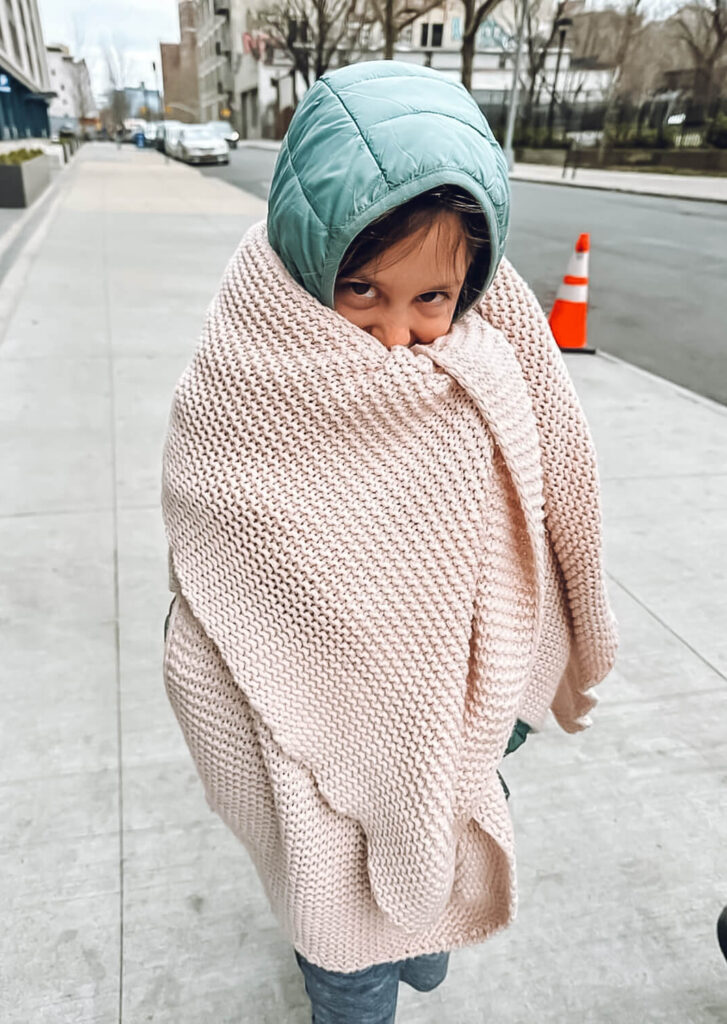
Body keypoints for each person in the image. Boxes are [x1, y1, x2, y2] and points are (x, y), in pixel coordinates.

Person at [161, 61, 618, 1023]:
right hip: (302, 740)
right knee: (344, 952)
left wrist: (506, 703)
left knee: (425, 924)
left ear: (471, 286)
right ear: (310, 259)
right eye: (362, 289)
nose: (395, 335)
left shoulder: (491, 367)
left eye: (431, 298)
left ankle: (411, 921)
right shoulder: (251, 367)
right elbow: (216, 536)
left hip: (453, 722)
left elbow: (533, 532)